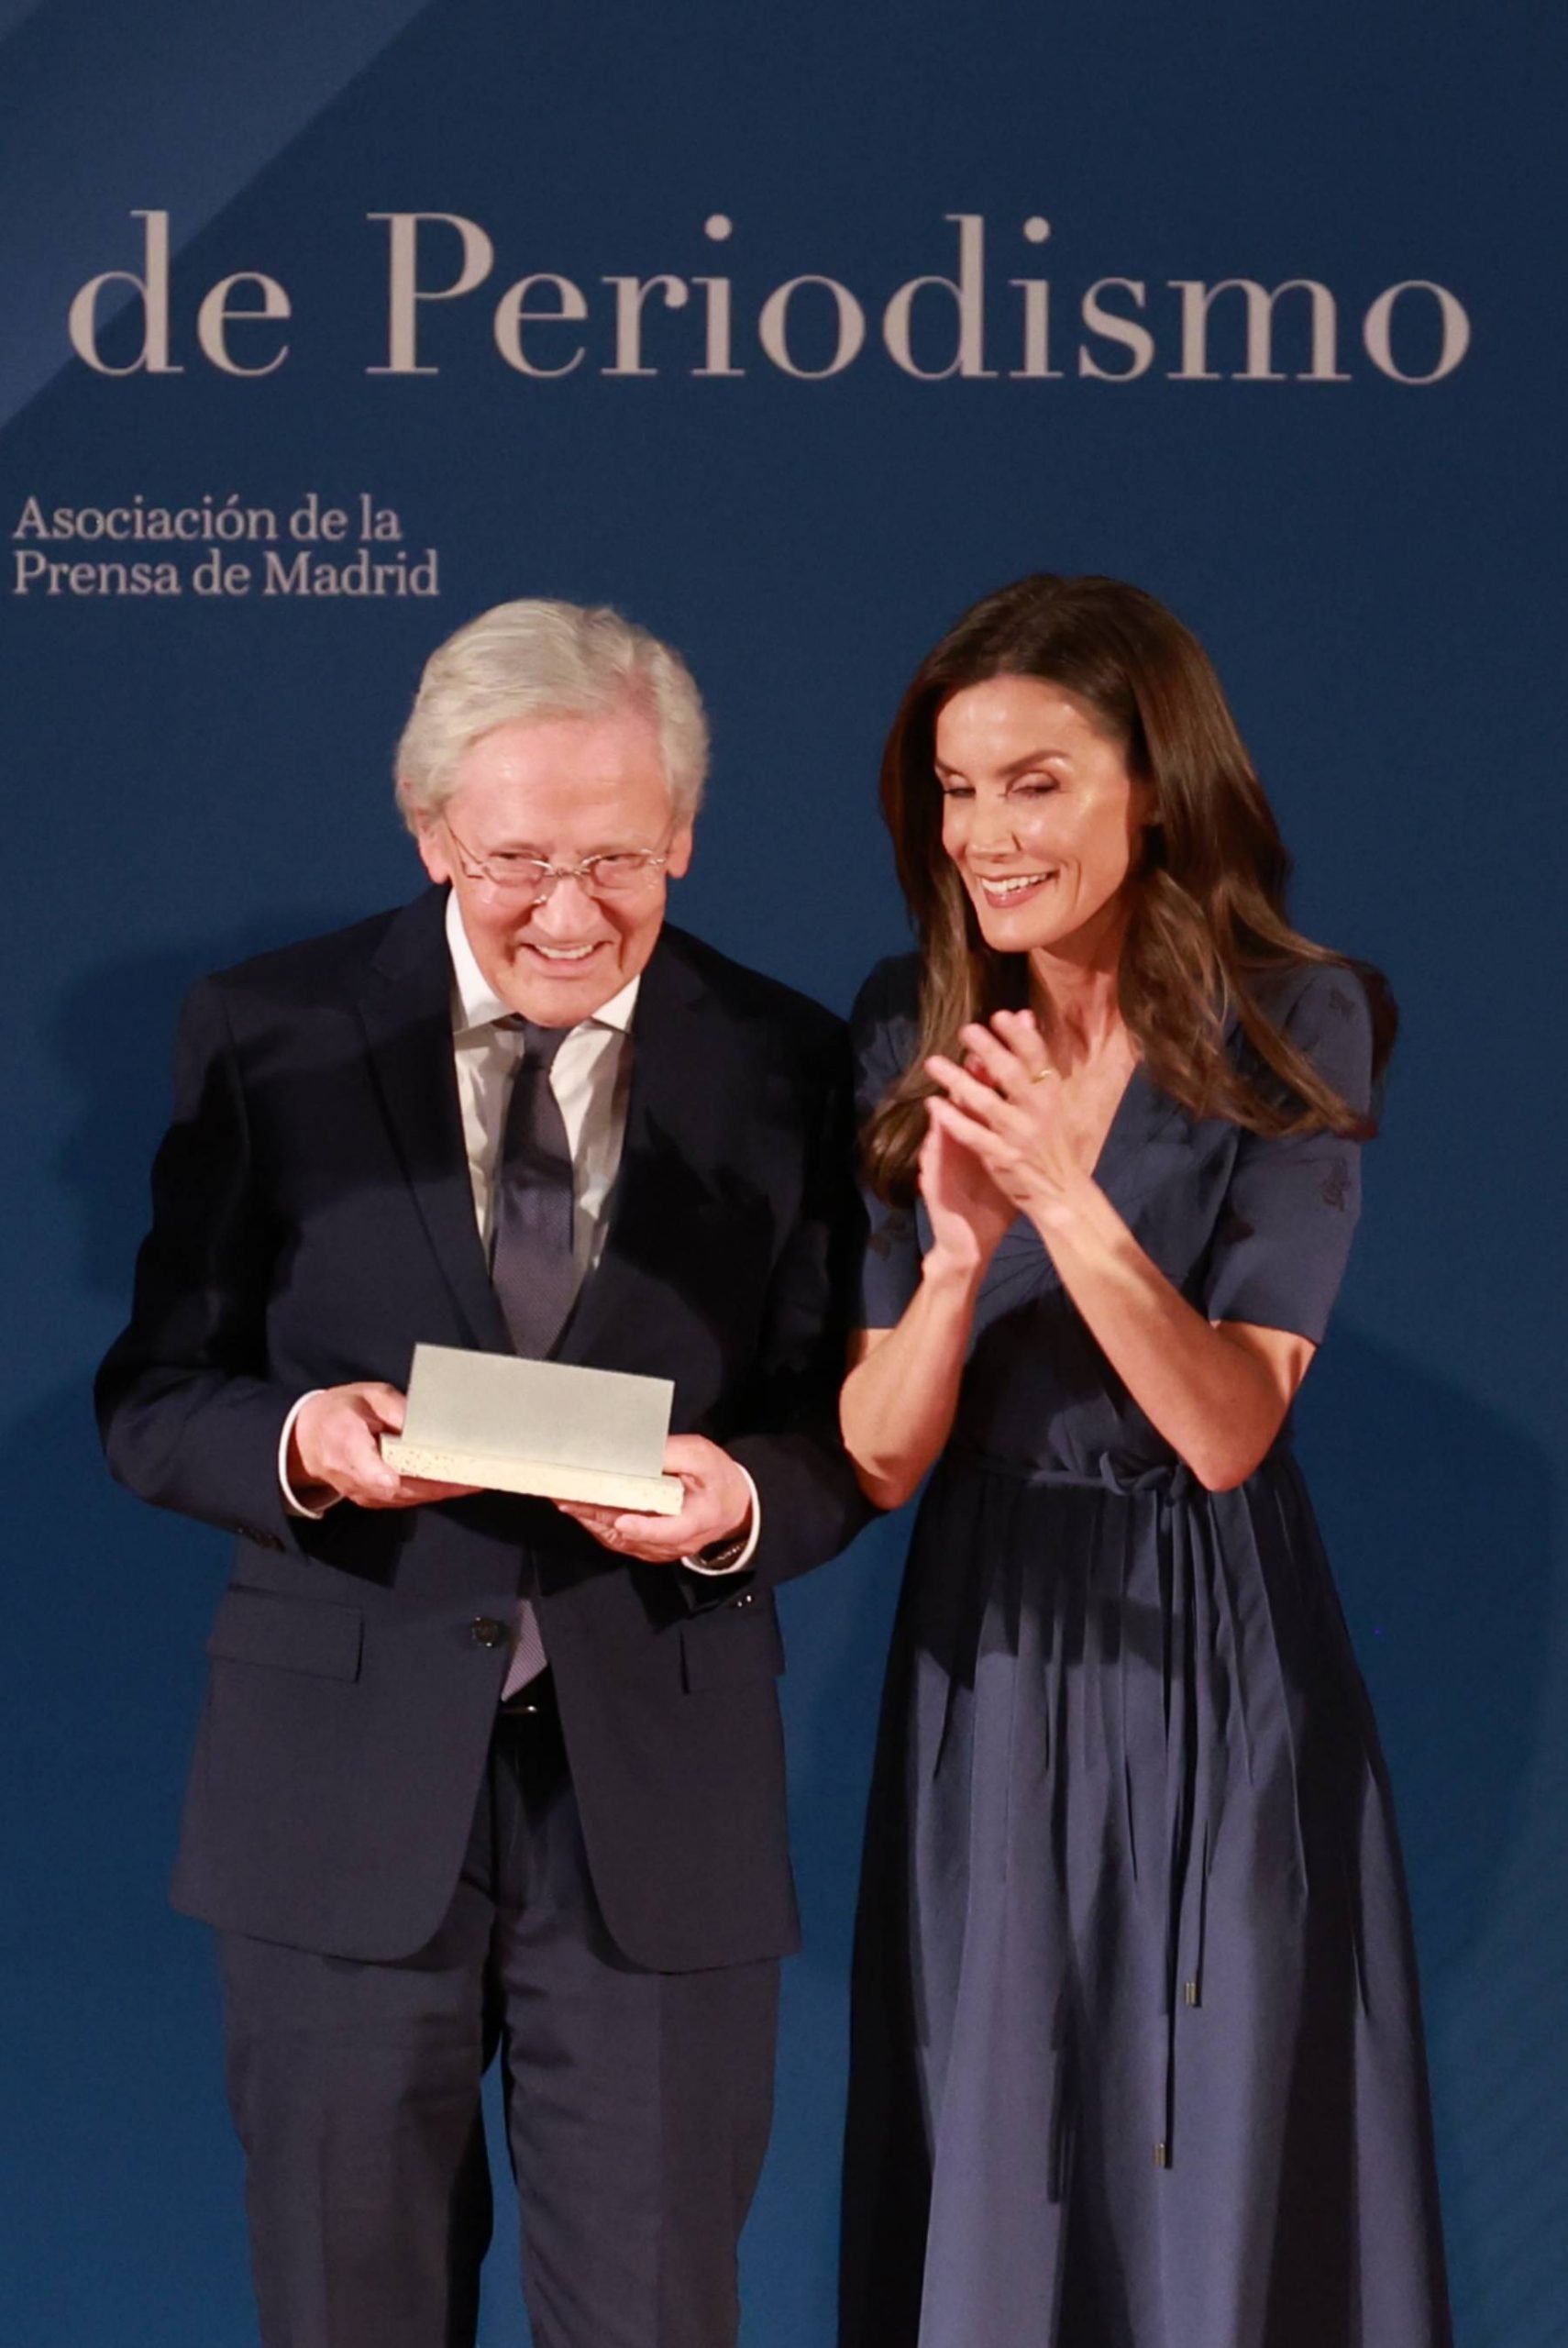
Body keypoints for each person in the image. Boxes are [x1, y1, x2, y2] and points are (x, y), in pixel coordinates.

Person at [95, 599, 868, 2348]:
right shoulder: (269, 1034)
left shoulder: (785, 1062)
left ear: (682, 832)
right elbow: (155, 1396)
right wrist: (302, 1445)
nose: (572, 913)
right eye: (519, 859)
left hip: (654, 1803)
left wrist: (738, 1501)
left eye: (619, 857)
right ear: (431, 827)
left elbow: (842, 1427)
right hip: (337, 1797)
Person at [836, 575, 1452, 2348]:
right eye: (955, 791)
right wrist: (954, 1261)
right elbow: (879, 1459)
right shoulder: (910, 1021)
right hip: (989, 1635)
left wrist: (1062, 1198)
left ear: (1157, 783)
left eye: (1034, 782)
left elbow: (1225, 1423)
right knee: (999, 2137)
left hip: (1210, 1641)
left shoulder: (1296, 1019)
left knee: (1209, 2136)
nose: (985, 836)